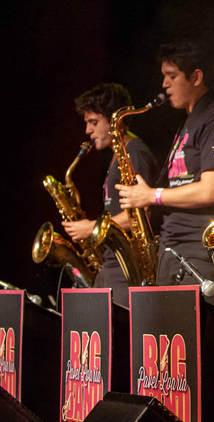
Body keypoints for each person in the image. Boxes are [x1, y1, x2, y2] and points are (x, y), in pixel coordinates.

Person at [116, 40, 214, 290]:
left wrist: (152, 195)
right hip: (174, 249)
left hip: (198, 250)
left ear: (196, 77)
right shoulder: (188, 121)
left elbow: (210, 190)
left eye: (172, 76)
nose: (164, 85)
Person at [63, 82, 158, 306]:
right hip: (112, 265)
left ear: (116, 121)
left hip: (128, 269)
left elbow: (141, 216)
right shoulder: (118, 156)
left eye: (94, 123)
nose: (88, 131)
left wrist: (91, 228)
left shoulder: (135, 152)